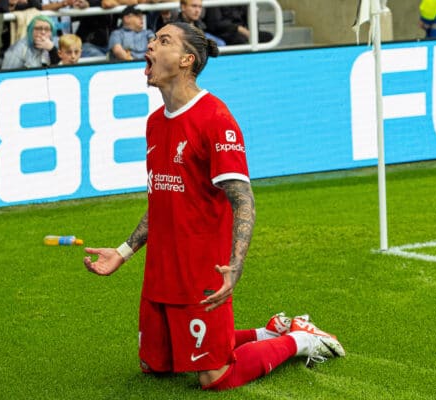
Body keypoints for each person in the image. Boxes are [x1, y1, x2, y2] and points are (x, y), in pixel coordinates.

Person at [83, 21, 345, 391]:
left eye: (163, 40)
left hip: (199, 272)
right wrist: (124, 252)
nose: (151, 45)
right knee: (158, 366)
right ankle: (266, 331)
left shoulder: (216, 120)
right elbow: (164, 199)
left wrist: (235, 267)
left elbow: (243, 200)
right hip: (161, 270)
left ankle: (300, 340)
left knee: (214, 376)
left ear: (186, 59)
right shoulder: (155, 123)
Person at [203, 5, 272, 45]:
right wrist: (238, 28)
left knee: (267, 36)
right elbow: (215, 24)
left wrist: (252, 31)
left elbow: (251, 18)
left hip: (243, 32)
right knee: (240, 39)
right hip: (223, 32)